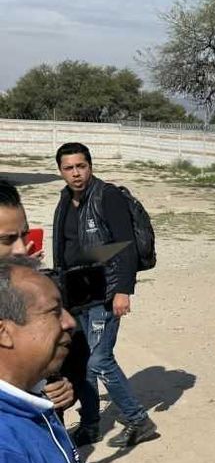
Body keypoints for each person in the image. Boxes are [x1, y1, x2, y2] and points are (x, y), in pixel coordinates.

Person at [52, 143, 155, 447]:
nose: (76, 173)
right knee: (81, 360)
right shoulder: (64, 198)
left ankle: (139, 420)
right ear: (61, 171)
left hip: (106, 291)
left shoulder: (107, 196)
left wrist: (124, 290)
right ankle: (90, 424)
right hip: (75, 292)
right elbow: (63, 246)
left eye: (81, 166)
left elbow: (125, 245)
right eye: (69, 168)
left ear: (90, 166)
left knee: (99, 360)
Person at [0, 256, 103, 463]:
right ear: (4, 332)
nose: (69, 322)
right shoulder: (4, 452)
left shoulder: (31, 399)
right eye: (54, 311)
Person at [0, 180, 75, 414]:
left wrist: (54, 384)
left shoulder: (28, 286)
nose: (22, 249)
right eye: (7, 239)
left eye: (24, 234)